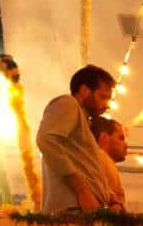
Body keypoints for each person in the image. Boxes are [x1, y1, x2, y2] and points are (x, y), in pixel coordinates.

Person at [36, 65, 114, 214]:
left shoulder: (84, 122)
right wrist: (82, 190)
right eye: (103, 97)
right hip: (71, 212)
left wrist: (110, 198)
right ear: (84, 91)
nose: (107, 105)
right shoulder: (68, 103)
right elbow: (46, 140)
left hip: (83, 212)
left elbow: (85, 168)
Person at [91, 116, 127, 211]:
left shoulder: (105, 160)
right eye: (121, 138)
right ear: (104, 137)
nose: (126, 145)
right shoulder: (99, 157)